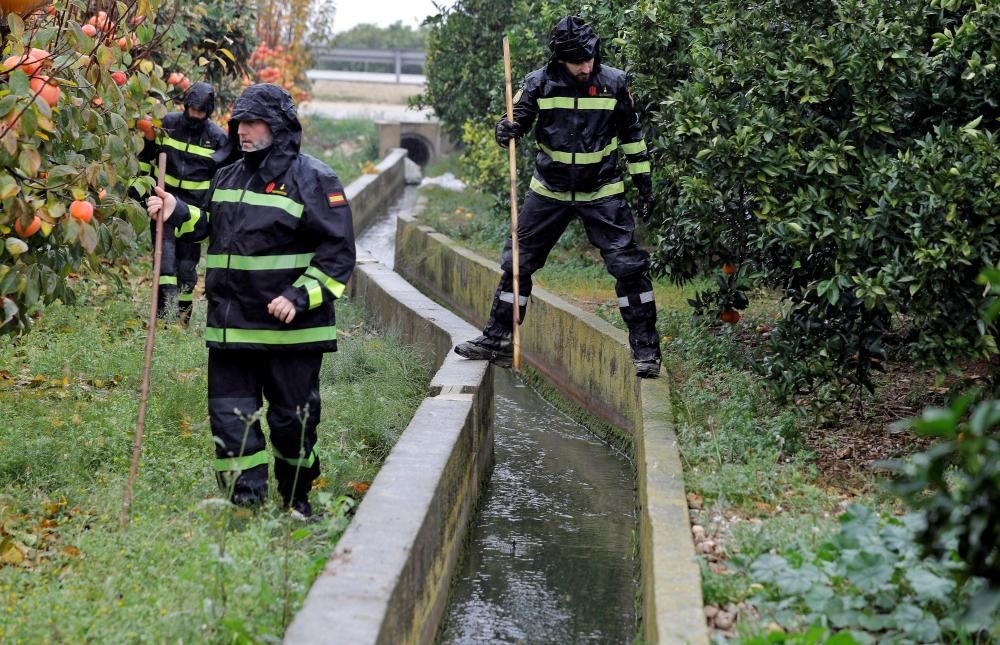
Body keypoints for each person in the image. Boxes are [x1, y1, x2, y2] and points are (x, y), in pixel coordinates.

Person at [146, 83, 357, 517]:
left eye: (254, 122)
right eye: (239, 121)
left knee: (291, 425)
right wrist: (176, 211)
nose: (243, 131)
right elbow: (211, 225)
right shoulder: (227, 175)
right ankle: (247, 508)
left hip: (290, 335)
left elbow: (338, 254)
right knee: (230, 420)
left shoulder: (314, 179)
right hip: (230, 328)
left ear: (278, 127)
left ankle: (297, 499)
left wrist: (298, 297)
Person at [453, 16, 662, 378]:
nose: (586, 66)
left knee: (629, 268)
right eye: (577, 61)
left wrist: (644, 184)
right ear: (559, 59)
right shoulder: (538, 83)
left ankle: (646, 351)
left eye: (590, 58)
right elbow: (512, 121)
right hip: (548, 190)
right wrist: (505, 129)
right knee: (517, 263)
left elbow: (633, 137)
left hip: (603, 190)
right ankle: (498, 340)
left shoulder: (614, 83)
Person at [139, 82, 228, 325]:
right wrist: (142, 192)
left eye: (200, 113)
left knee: (187, 269)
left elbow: (222, 180)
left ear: (208, 112)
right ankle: (163, 319)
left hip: (194, 214)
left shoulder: (218, 138)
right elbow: (146, 158)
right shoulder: (166, 124)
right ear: (186, 106)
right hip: (163, 206)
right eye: (192, 111)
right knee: (165, 264)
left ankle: (182, 319)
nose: (195, 117)